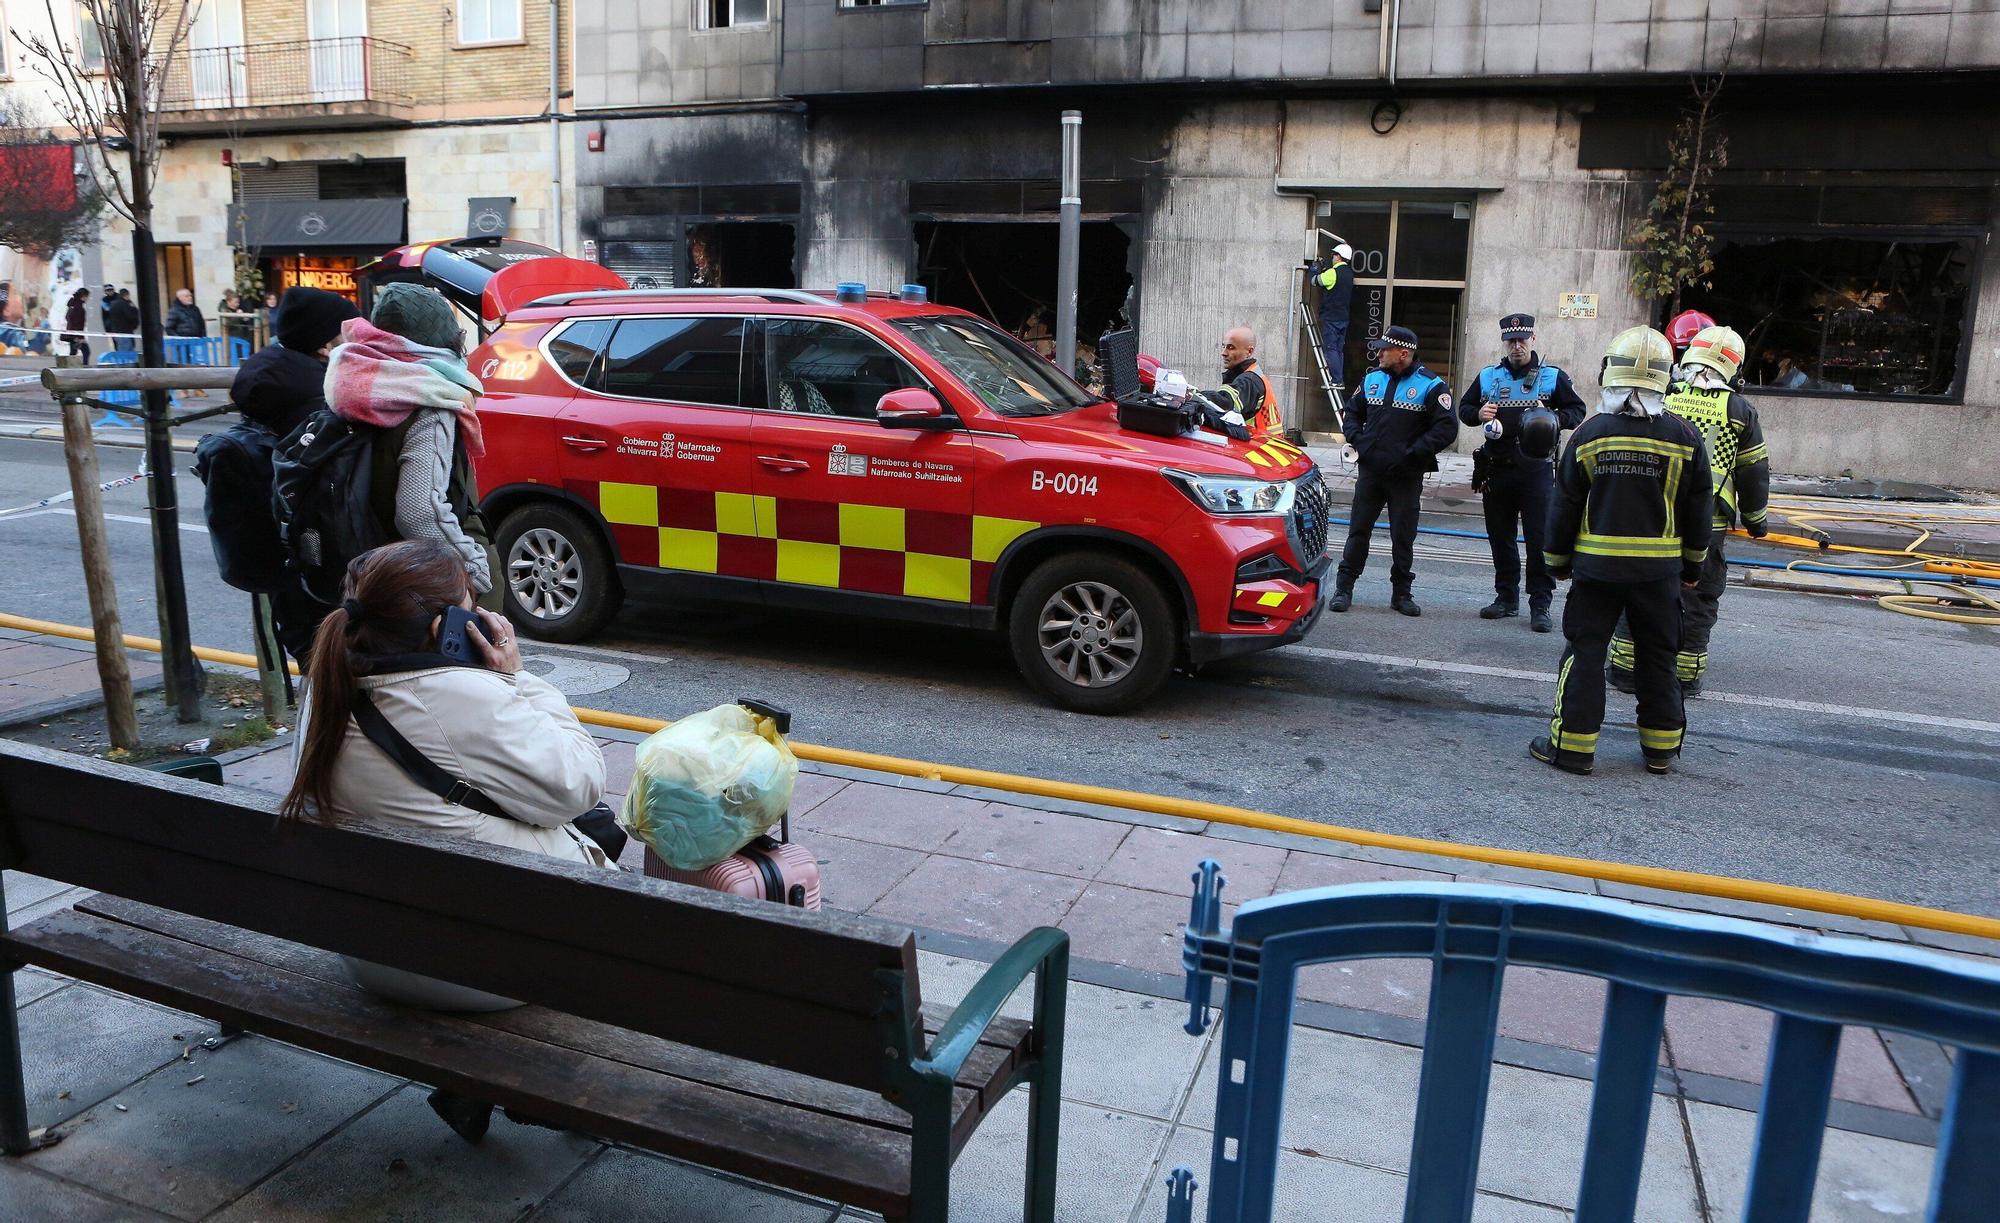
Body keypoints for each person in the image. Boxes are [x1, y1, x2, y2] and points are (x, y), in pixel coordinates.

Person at [278, 540, 609, 1029]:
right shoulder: (465, 696)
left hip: (372, 956)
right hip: (481, 972)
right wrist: (514, 678)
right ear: (445, 628)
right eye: (472, 609)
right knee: (597, 827)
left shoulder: (326, 690)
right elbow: (581, 783)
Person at [1532, 326, 1712, 777]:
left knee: (1585, 652)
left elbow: (1565, 504)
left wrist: (1555, 562)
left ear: (1608, 373)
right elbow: (1698, 511)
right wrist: (1693, 567)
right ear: (1665, 378)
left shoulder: (1590, 435)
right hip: (1659, 575)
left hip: (1597, 572)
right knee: (1657, 655)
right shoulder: (1686, 438)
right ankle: (1660, 751)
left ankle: (1572, 749)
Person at [1608, 324, 1769, 696]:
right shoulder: (1739, 410)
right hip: (1707, 525)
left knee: (1637, 587)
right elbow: (1753, 471)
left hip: (1651, 515)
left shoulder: (1663, 395)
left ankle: (1625, 669)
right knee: (1698, 596)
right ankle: (1683, 674)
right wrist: (1757, 521)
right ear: (1735, 367)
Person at [207, 286, 363, 664]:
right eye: (348, 332)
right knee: (337, 663)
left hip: (282, 558)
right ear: (326, 345)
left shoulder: (266, 379)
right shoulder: (319, 395)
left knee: (312, 658)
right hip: (319, 558)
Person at [324, 283, 495, 602]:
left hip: (371, 566)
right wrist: (474, 572)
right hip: (424, 580)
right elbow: (417, 511)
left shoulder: (355, 381)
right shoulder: (429, 398)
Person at [1458, 313, 1588, 632]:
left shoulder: (1551, 377)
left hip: (1536, 471)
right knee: (1500, 538)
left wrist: (1552, 416)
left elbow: (1578, 411)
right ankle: (1506, 598)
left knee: (1538, 540)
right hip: (1496, 469)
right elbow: (1463, 410)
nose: (1517, 345)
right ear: (1505, 342)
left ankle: (1540, 604)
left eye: (1522, 339)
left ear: (1533, 339)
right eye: (1511, 340)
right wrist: (1478, 412)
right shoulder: (1489, 376)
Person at [1329, 324, 1458, 617]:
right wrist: (1359, 440)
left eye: (1384, 349)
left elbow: (1447, 427)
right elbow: (1351, 413)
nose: (1379, 352)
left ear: (1403, 353)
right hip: (1371, 472)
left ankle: (1401, 594)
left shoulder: (1431, 385)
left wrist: (1414, 453)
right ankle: (1344, 588)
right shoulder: (1372, 379)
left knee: (1403, 536)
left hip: (1406, 475)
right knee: (1358, 531)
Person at [1205, 326, 1281, 439]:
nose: (1223, 353)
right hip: (1266, 446)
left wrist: (1191, 395)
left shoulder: (1249, 380)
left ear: (1249, 351)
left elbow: (1226, 402)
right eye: (1223, 346)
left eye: (1231, 348)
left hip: (1258, 447)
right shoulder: (1252, 374)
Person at [1310, 242, 1354, 388]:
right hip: (1344, 317)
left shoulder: (1333, 273)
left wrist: (1315, 269)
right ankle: (1339, 379)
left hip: (1331, 317)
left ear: (1339, 257)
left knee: (1330, 349)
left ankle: (1336, 380)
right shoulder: (1349, 273)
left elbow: (1315, 281)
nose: (1333, 257)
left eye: (1334, 255)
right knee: (1338, 349)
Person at [103, 286, 140, 353]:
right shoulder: (125, 304)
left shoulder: (113, 303)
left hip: (116, 331)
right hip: (125, 331)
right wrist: (134, 309)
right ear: (126, 295)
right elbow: (131, 316)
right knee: (127, 352)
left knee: (121, 351)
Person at [61, 288, 90, 361]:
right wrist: (79, 337)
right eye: (87, 296)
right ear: (83, 296)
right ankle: (84, 368)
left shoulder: (72, 305)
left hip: (72, 333)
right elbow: (78, 322)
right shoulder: (79, 307)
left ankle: (70, 367)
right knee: (86, 352)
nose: (88, 298)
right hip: (76, 334)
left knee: (73, 352)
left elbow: (67, 317)